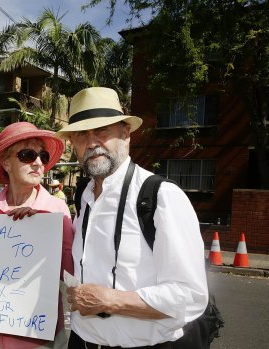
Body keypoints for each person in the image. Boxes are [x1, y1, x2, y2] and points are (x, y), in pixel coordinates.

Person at [56, 87, 208, 348]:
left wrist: (110, 301)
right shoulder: (84, 195)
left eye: (101, 130)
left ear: (125, 133)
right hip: (82, 341)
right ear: (73, 144)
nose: (92, 142)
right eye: (81, 134)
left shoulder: (160, 196)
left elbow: (190, 296)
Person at [0, 121, 74, 349]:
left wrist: (41, 231)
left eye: (43, 156)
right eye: (27, 155)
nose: (38, 162)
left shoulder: (57, 211)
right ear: (6, 163)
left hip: (38, 333)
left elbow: (70, 273)